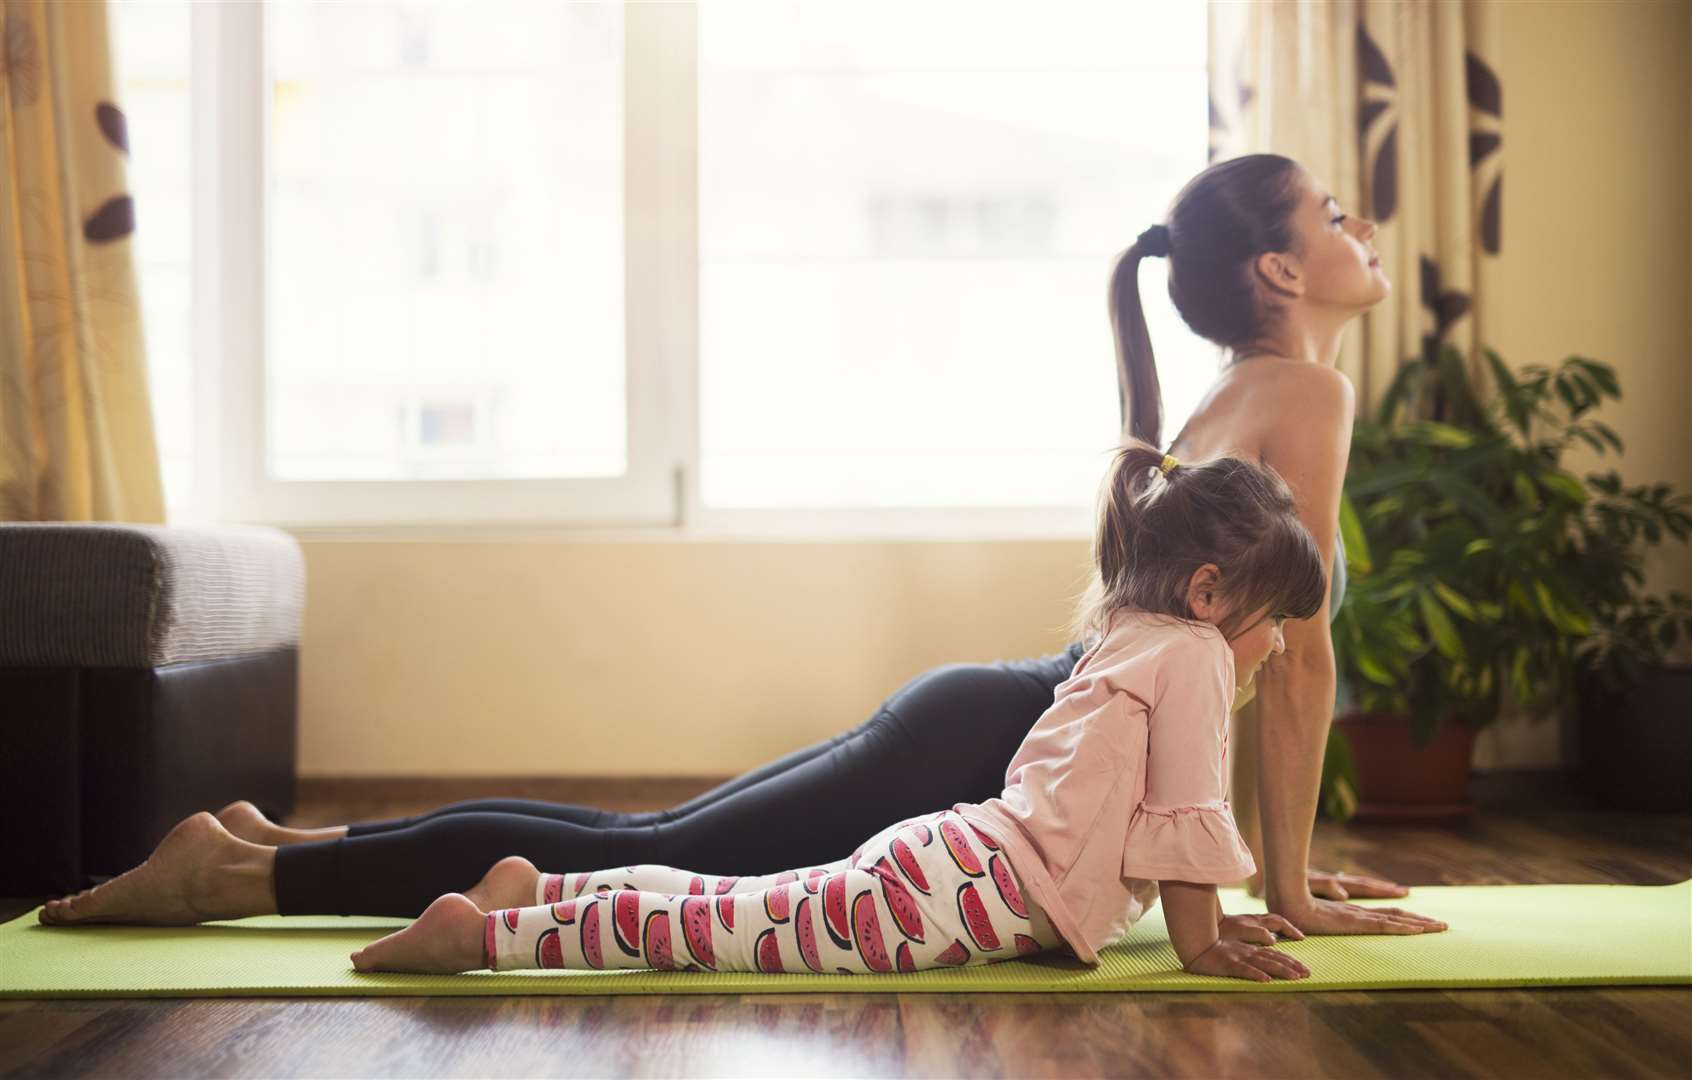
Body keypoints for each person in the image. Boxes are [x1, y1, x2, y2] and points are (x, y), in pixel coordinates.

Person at [39, 153, 1446, 943]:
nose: (1359, 228)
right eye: (1333, 216)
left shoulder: (1233, 393)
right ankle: (235, 878)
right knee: (656, 850)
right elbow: (1299, 662)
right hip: (997, 736)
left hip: (996, 712)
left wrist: (1281, 872)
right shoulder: (1304, 392)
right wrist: (1293, 889)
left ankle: (268, 843)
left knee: (642, 840)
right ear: (1278, 270)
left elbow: (1245, 672)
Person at [349, 443, 1333, 980]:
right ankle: (485, 941)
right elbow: (1182, 817)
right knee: (722, 934)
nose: (1279, 646)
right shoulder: (1197, 656)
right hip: (961, 896)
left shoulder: (1131, 628)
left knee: (738, 901)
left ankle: (544, 889)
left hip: (954, 859)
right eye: (1276, 622)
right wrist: (1205, 947)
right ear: (1209, 594)